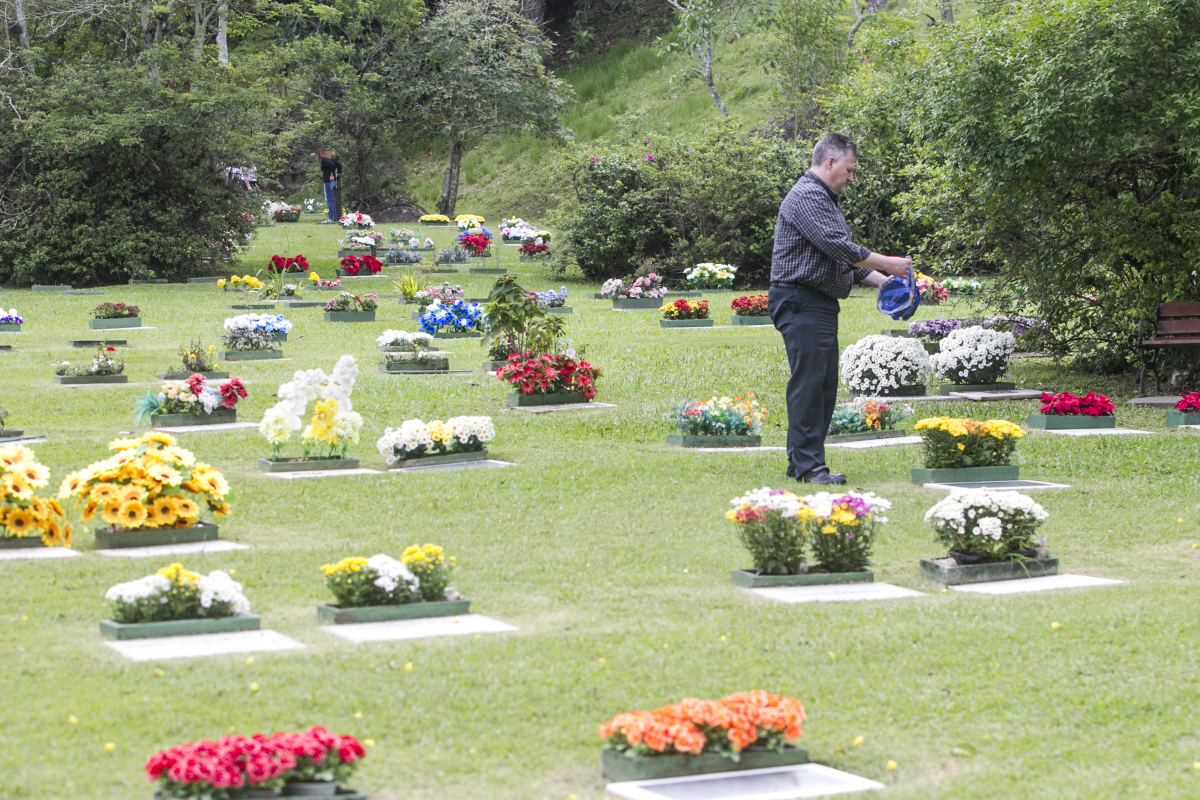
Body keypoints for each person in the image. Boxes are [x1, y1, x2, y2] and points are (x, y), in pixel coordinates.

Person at [768, 133, 912, 485]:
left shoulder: (825, 199)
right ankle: (809, 467)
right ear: (830, 162)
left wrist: (885, 283)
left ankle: (802, 463)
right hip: (800, 299)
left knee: (823, 386)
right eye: (849, 169)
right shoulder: (807, 196)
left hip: (816, 302)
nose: (851, 177)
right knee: (809, 384)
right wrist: (890, 264)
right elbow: (837, 246)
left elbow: (841, 259)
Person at [317, 150, 341, 223]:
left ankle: (332, 217)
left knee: (329, 200)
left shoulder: (325, 160)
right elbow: (339, 165)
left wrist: (335, 173)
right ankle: (333, 217)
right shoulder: (329, 160)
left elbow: (335, 165)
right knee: (331, 200)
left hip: (328, 181)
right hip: (331, 181)